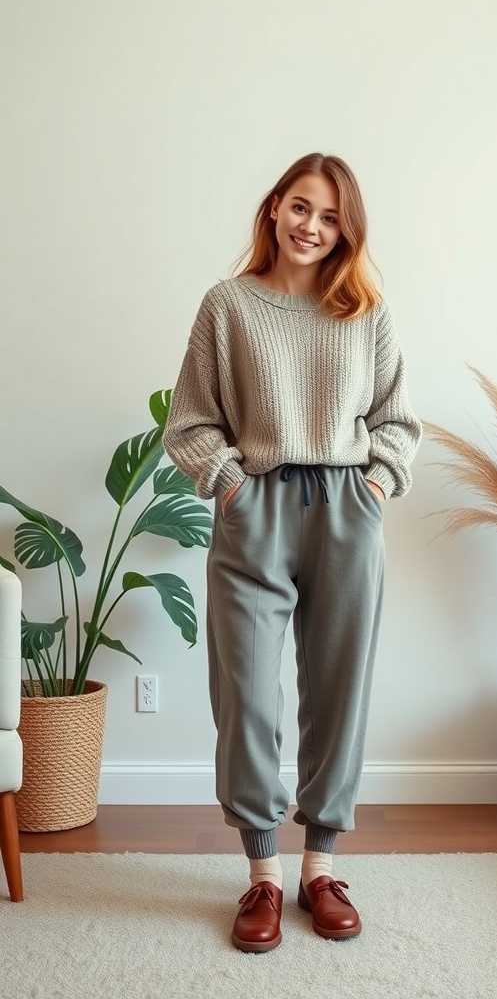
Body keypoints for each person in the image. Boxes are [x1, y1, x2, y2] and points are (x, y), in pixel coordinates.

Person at [163, 152, 421, 952]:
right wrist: (232, 484)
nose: (313, 226)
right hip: (257, 507)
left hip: (347, 507)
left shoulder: (366, 312)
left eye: (331, 216)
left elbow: (399, 422)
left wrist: (376, 487)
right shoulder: (228, 306)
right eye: (301, 207)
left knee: (339, 688)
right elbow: (190, 422)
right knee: (248, 695)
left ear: (347, 230)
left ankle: (321, 867)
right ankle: (263, 876)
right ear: (274, 208)